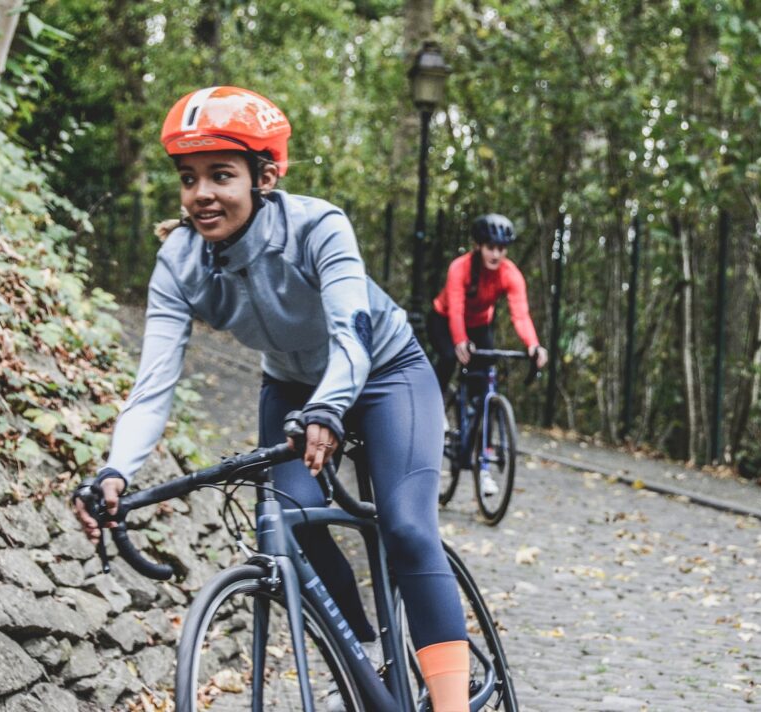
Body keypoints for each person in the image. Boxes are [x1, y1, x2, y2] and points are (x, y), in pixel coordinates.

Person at [71, 86, 470, 712]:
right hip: (289, 384)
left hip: (386, 371)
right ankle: (361, 661)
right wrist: (118, 468)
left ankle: (449, 703)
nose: (201, 193)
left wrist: (330, 408)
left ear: (265, 176)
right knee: (290, 519)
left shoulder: (316, 225)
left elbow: (353, 336)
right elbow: (153, 384)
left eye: (220, 175)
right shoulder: (179, 262)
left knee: (407, 526)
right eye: (188, 178)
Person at [427, 215, 548, 494]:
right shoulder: (460, 268)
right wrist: (459, 341)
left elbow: (520, 314)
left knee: (485, 393)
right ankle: (435, 408)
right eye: (490, 247)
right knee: (447, 357)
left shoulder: (510, 274)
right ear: (479, 246)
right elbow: (455, 308)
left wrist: (533, 344)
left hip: (480, 324)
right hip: (445, 319)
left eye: (501, 248)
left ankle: (483, 469)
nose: (496, 254)